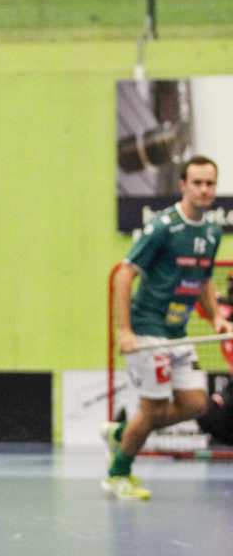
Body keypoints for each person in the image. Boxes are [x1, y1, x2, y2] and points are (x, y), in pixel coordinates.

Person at [103, 156, 230, 499]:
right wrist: (124, 331)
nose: (204, 190)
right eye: (198, 183)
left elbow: (203, 279)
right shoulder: (162, 227)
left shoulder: (211, 231)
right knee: (153, 410)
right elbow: (126, 273)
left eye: (210, 183)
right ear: (183, 185)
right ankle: (118, 472)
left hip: (177, 333)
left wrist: (216, 315)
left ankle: (122, 434)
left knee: (196, 405)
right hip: (148, 331)